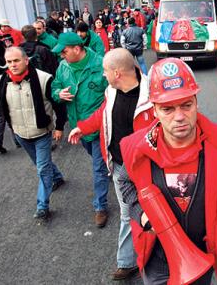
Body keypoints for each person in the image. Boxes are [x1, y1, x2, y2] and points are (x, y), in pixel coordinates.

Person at [118, 57, 217, 284]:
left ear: (196, 101)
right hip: (157, 258)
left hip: (203, 255)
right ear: (155, 109)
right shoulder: (136, 147)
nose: (179, 116)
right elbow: (125, 182)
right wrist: (140, 213)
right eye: (167, 109)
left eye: (186, 105)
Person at [68, 49, 154, 280]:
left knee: (151, 213)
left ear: (117, 72)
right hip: (118, 166)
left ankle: (154, 260)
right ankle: (127, 262)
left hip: (146, 170)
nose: (103, 75)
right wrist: (83, 127)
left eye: (105, 71)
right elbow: (103, 115)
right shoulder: (112, 91)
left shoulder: (152, 96)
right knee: (128, 213)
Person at [0, 47, 67, 221]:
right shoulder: (2, 80)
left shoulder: (44, 79)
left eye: (16, 61)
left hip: (41, 133)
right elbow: (4, 109)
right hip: (21, 134)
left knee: (42, 168)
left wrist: (59, 127)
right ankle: (57, 177)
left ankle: (42, 206)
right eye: (9, 62)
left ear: (26, 60)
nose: (12, 65)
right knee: (40, 163)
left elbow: (58, 105)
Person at [51, 33, 110, 227]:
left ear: (77, 49)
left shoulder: (101, 65)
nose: (61, 55)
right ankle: (109, 166)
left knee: (98, 168)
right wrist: (58, 93)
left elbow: (114, 92)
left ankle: (100, 206)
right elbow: (55, 87)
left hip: (99, 126)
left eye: (64, 51)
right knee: (96, 160)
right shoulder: (63, 67)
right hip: (78, 127)